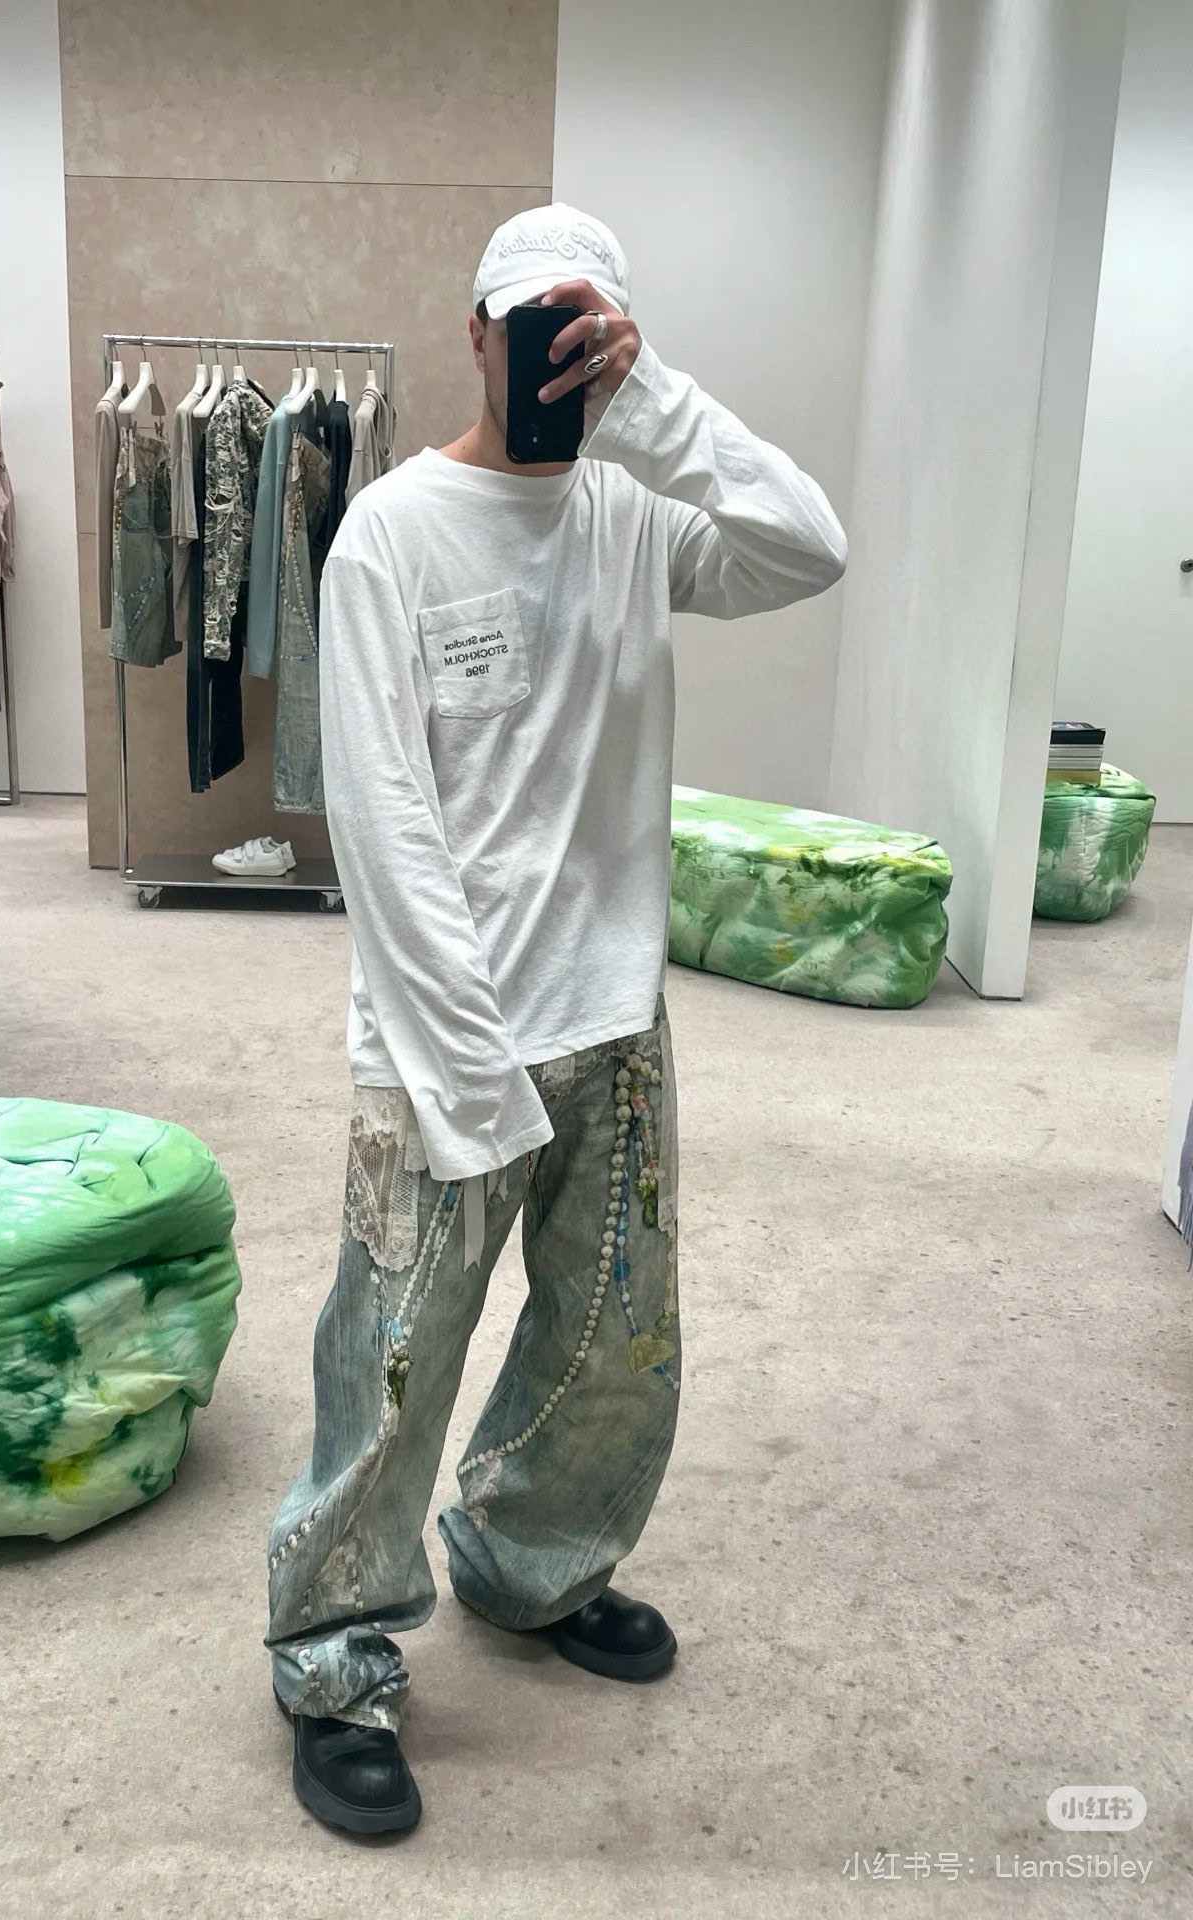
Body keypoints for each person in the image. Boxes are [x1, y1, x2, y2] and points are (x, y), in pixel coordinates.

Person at [265, 202, 847, 1835]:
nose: (551, 356)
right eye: (531, 326)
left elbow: (810, 545)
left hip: (614, 1020)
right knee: (391, 1362)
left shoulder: (639, 514)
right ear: (476, 334)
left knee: (611, 1346)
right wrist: (466, 1067)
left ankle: (532, 1565)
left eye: (584, 329)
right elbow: (383, 821)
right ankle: (333, 1660)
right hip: (443, 1036)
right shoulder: (388, 533)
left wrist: (653, 405)